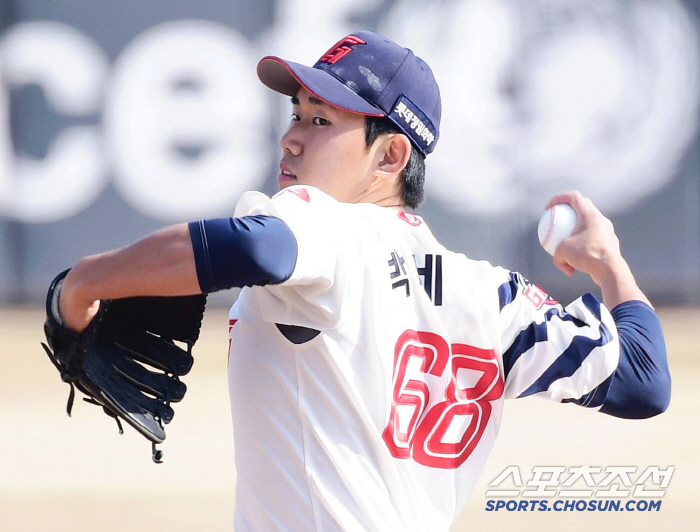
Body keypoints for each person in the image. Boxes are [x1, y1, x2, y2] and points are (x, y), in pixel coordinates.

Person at [56, 31, 670, 532]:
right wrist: (607, 264)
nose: (290, 136)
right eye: (296, 113)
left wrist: (82, 284)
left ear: (390, 157)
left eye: (321, 121)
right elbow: (644, 383)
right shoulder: (493, 297)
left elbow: (254, 245)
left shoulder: (325, 222)